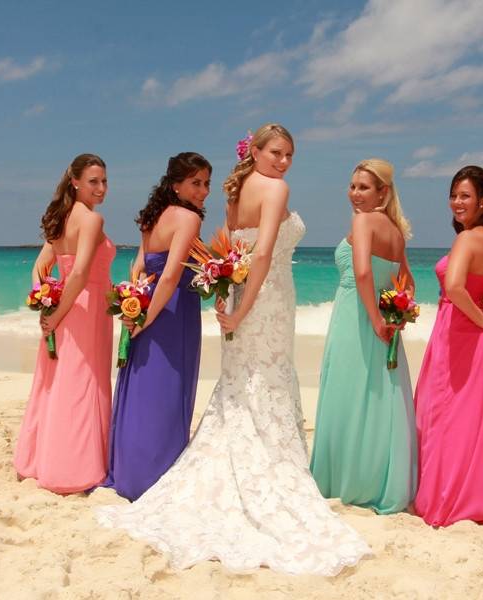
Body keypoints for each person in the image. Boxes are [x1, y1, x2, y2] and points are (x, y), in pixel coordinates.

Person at [95, 124, 370, 576]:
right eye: (276, 152)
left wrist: (226, 298)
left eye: (289, 155)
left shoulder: (236, 190)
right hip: (265, 299)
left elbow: (224, 253)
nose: (283, 162)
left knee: (243, 382)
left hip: (243, 298)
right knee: (264, 378)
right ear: (256, 151)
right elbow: (258, 256)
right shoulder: (276, 189)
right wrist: (240, 312)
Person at [413, 165, 483, 526]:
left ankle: (450, 498)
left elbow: (457, 287)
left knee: (448, 416)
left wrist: (482, 320)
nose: (457, 203)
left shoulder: (467, 239)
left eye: (465, 196)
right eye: (453, 195)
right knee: (481, 422)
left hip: (461, 336)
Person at [310, 158, 417, 514]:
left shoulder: (364, 221)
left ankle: (343, 481)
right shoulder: (396, 231)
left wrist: (373, 319)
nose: (355, 194)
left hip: (358, 319)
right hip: (386, 325)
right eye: (353, 186)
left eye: (364, 187)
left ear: (383, 192)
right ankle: (374, 480)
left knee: (347, 393)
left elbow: (362, 274)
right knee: (377, 399)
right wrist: (397, 314)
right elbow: (409, 283)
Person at [101, 152, 209, 501]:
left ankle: (130, 470)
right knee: (169, 388)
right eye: (196, 183)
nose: (203, 191)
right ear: (175, 184)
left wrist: (135, 308)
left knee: (145, 388)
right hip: (172, 312)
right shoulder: (188, 218)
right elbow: (172, 275)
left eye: (206, 183)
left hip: (149, 304)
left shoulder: (153, 217)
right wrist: (147, 320)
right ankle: (157, 475)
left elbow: (140, 267)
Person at [13, 153, 115, 494]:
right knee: (85, 384)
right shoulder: (90, 220)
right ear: (75, 181)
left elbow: (40, 269)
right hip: (85, 311)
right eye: (93, 181)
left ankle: (41, 460)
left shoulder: (59, 219)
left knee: (57, 384)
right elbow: (82, 272)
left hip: (64, 306)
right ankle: (74, 468)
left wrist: (44, 301)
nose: (101, 188)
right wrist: (55, 313)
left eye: (104, 181)